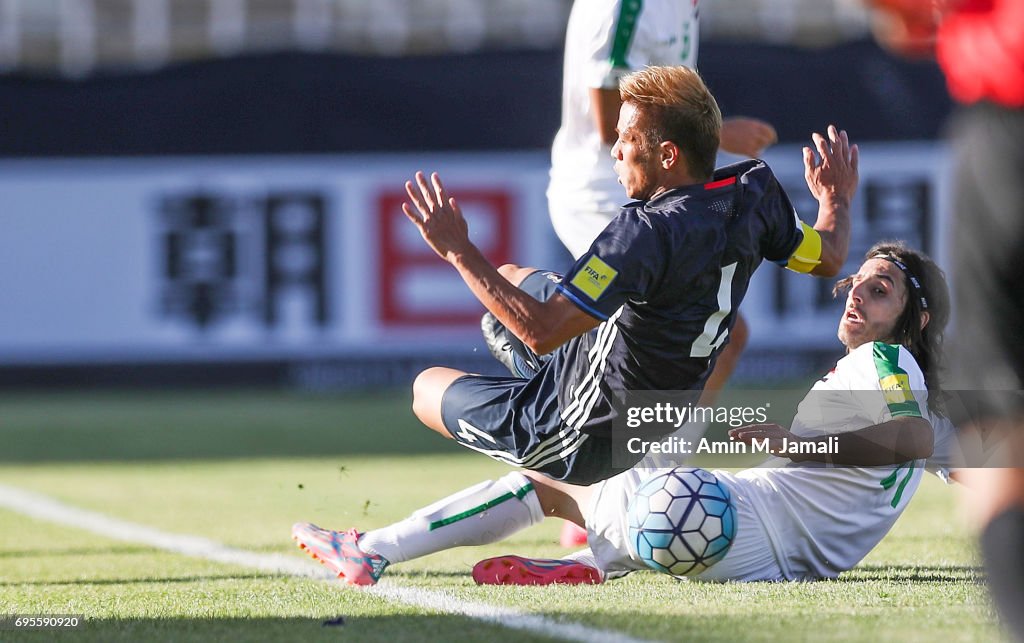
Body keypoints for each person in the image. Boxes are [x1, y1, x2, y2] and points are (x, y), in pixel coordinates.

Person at [291, 242, 954, 586]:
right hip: (740, 536)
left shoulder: (888, 364)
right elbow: (941, 446)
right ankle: (603, 553)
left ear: (916, 319)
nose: (855, 295)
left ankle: (373, 549)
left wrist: (795, 442)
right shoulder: (918, 386)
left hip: (718, 516)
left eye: (880, 288)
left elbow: (909, 436)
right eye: (855, 283)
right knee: (583, 467)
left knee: (457, 407)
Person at [397, 65, 856, 488]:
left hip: (589, 433)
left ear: (668, 154)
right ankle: (538, 380)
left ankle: (535, 405)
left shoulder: (642, 232)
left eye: (626, 139)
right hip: (657, 397)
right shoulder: (752, 190)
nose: (614, 151)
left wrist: (457, 250)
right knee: (511, 277)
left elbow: (541, 332)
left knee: (425, 388)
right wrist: (834, 197)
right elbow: (828, 258)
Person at [545, 0, 778, 546]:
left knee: (719, 338)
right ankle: (626, 496)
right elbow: (611, 128)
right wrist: (720, 139)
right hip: (604, 193)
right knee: (694, 340)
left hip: (656, 194)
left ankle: (635, 493)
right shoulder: (625, 6)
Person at [863, 2, 1024, 638]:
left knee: (1000, 437)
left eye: (880, 287)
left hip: (1007, 122)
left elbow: (902, 20)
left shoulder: (893, 366)